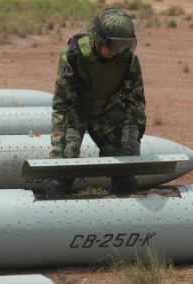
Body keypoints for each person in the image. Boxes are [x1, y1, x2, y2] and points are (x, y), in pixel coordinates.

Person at [47, 7, 147, 196]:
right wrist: (65, 141)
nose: (116, 51)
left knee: (126, 178)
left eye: (123, 45)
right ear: (97, 39)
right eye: (112, 45)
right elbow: (63, 105)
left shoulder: (128, 60)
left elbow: (135, 102)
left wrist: (133, 133)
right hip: (75, 115)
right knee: (60, 176)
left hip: (109, 114)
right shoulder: (72, 57)